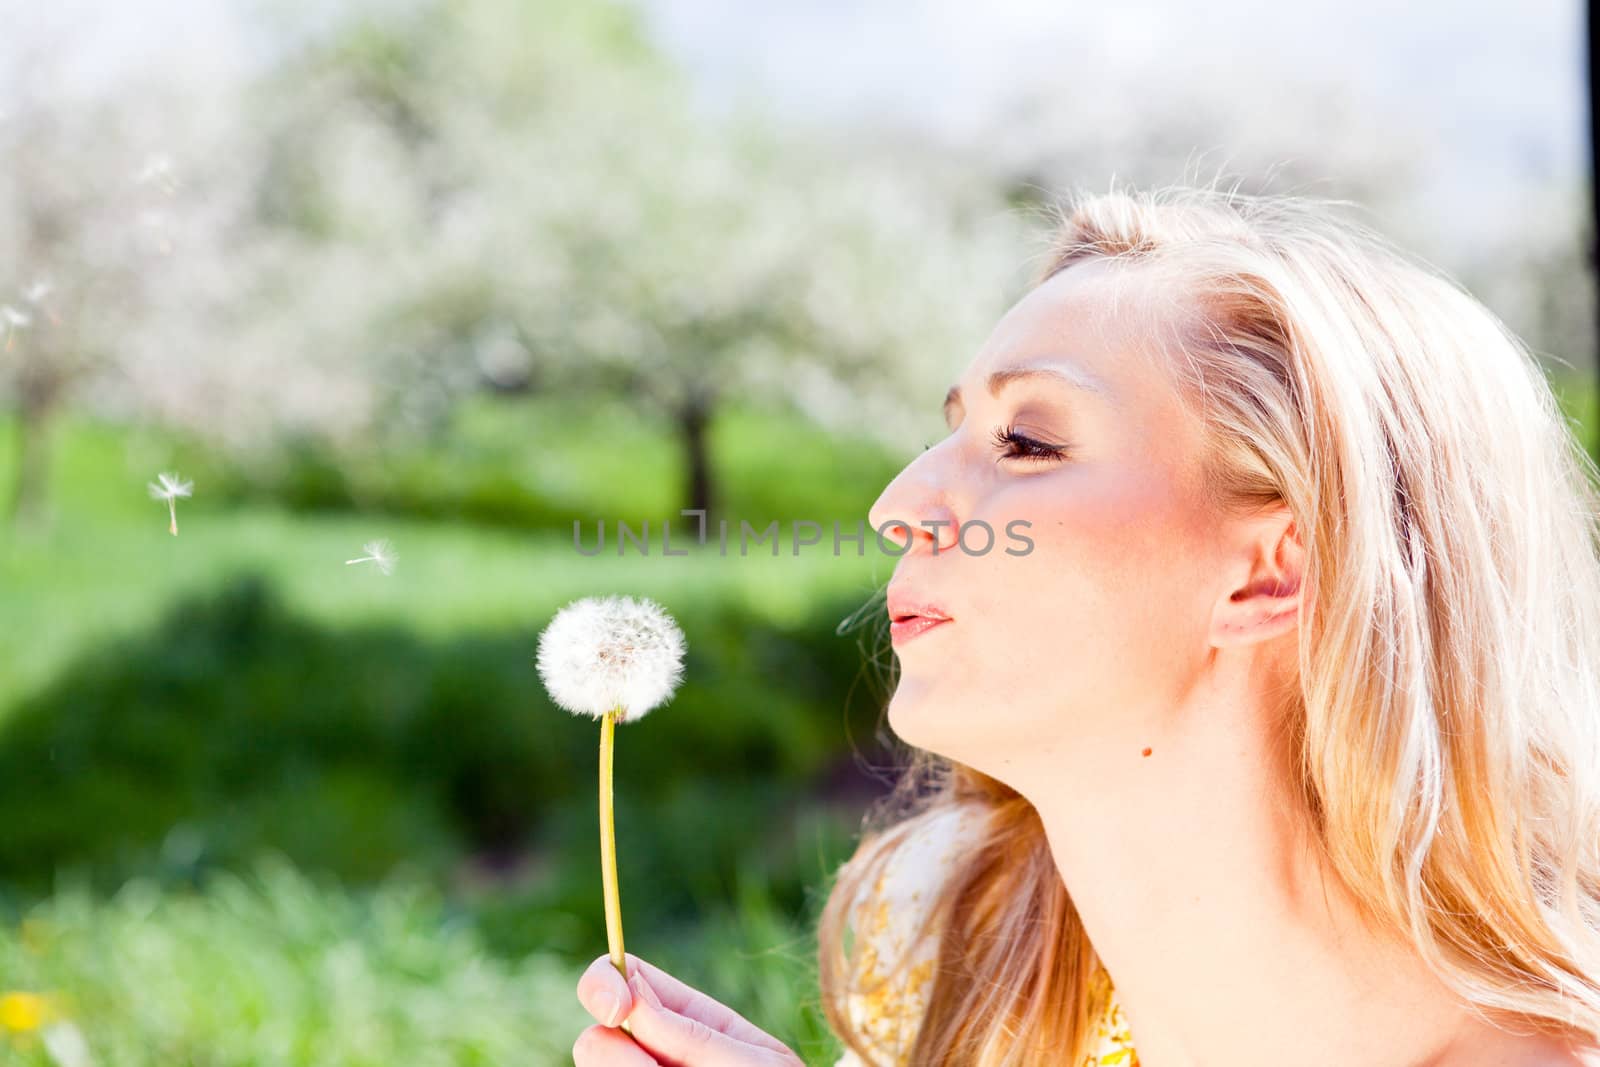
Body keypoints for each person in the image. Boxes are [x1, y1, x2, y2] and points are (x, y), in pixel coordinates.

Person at [572, 180, 1600, 1066]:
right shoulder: (955, 943)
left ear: (1267, 572)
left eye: (1024, 440)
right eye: (954, 432)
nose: (897, 503)